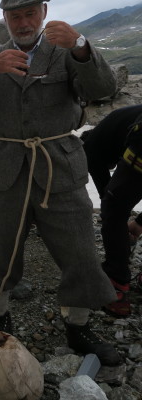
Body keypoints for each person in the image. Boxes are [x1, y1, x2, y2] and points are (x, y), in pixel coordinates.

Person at [0, 0, 122, 365]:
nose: (24, 22)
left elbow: (105, 88)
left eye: (31, 13)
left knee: (79, 249)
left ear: (45, 12)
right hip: (3, 169)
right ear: (5, 19)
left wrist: (81, 46)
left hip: (58, 166)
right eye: (16, 16)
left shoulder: (65, 54)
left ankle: (78, 327)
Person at [81, 104, 142, 316]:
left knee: (113, 209)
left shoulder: (91, 149)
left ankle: (116, 284)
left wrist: (118, 220)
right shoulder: (117, 124)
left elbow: (107, 197)